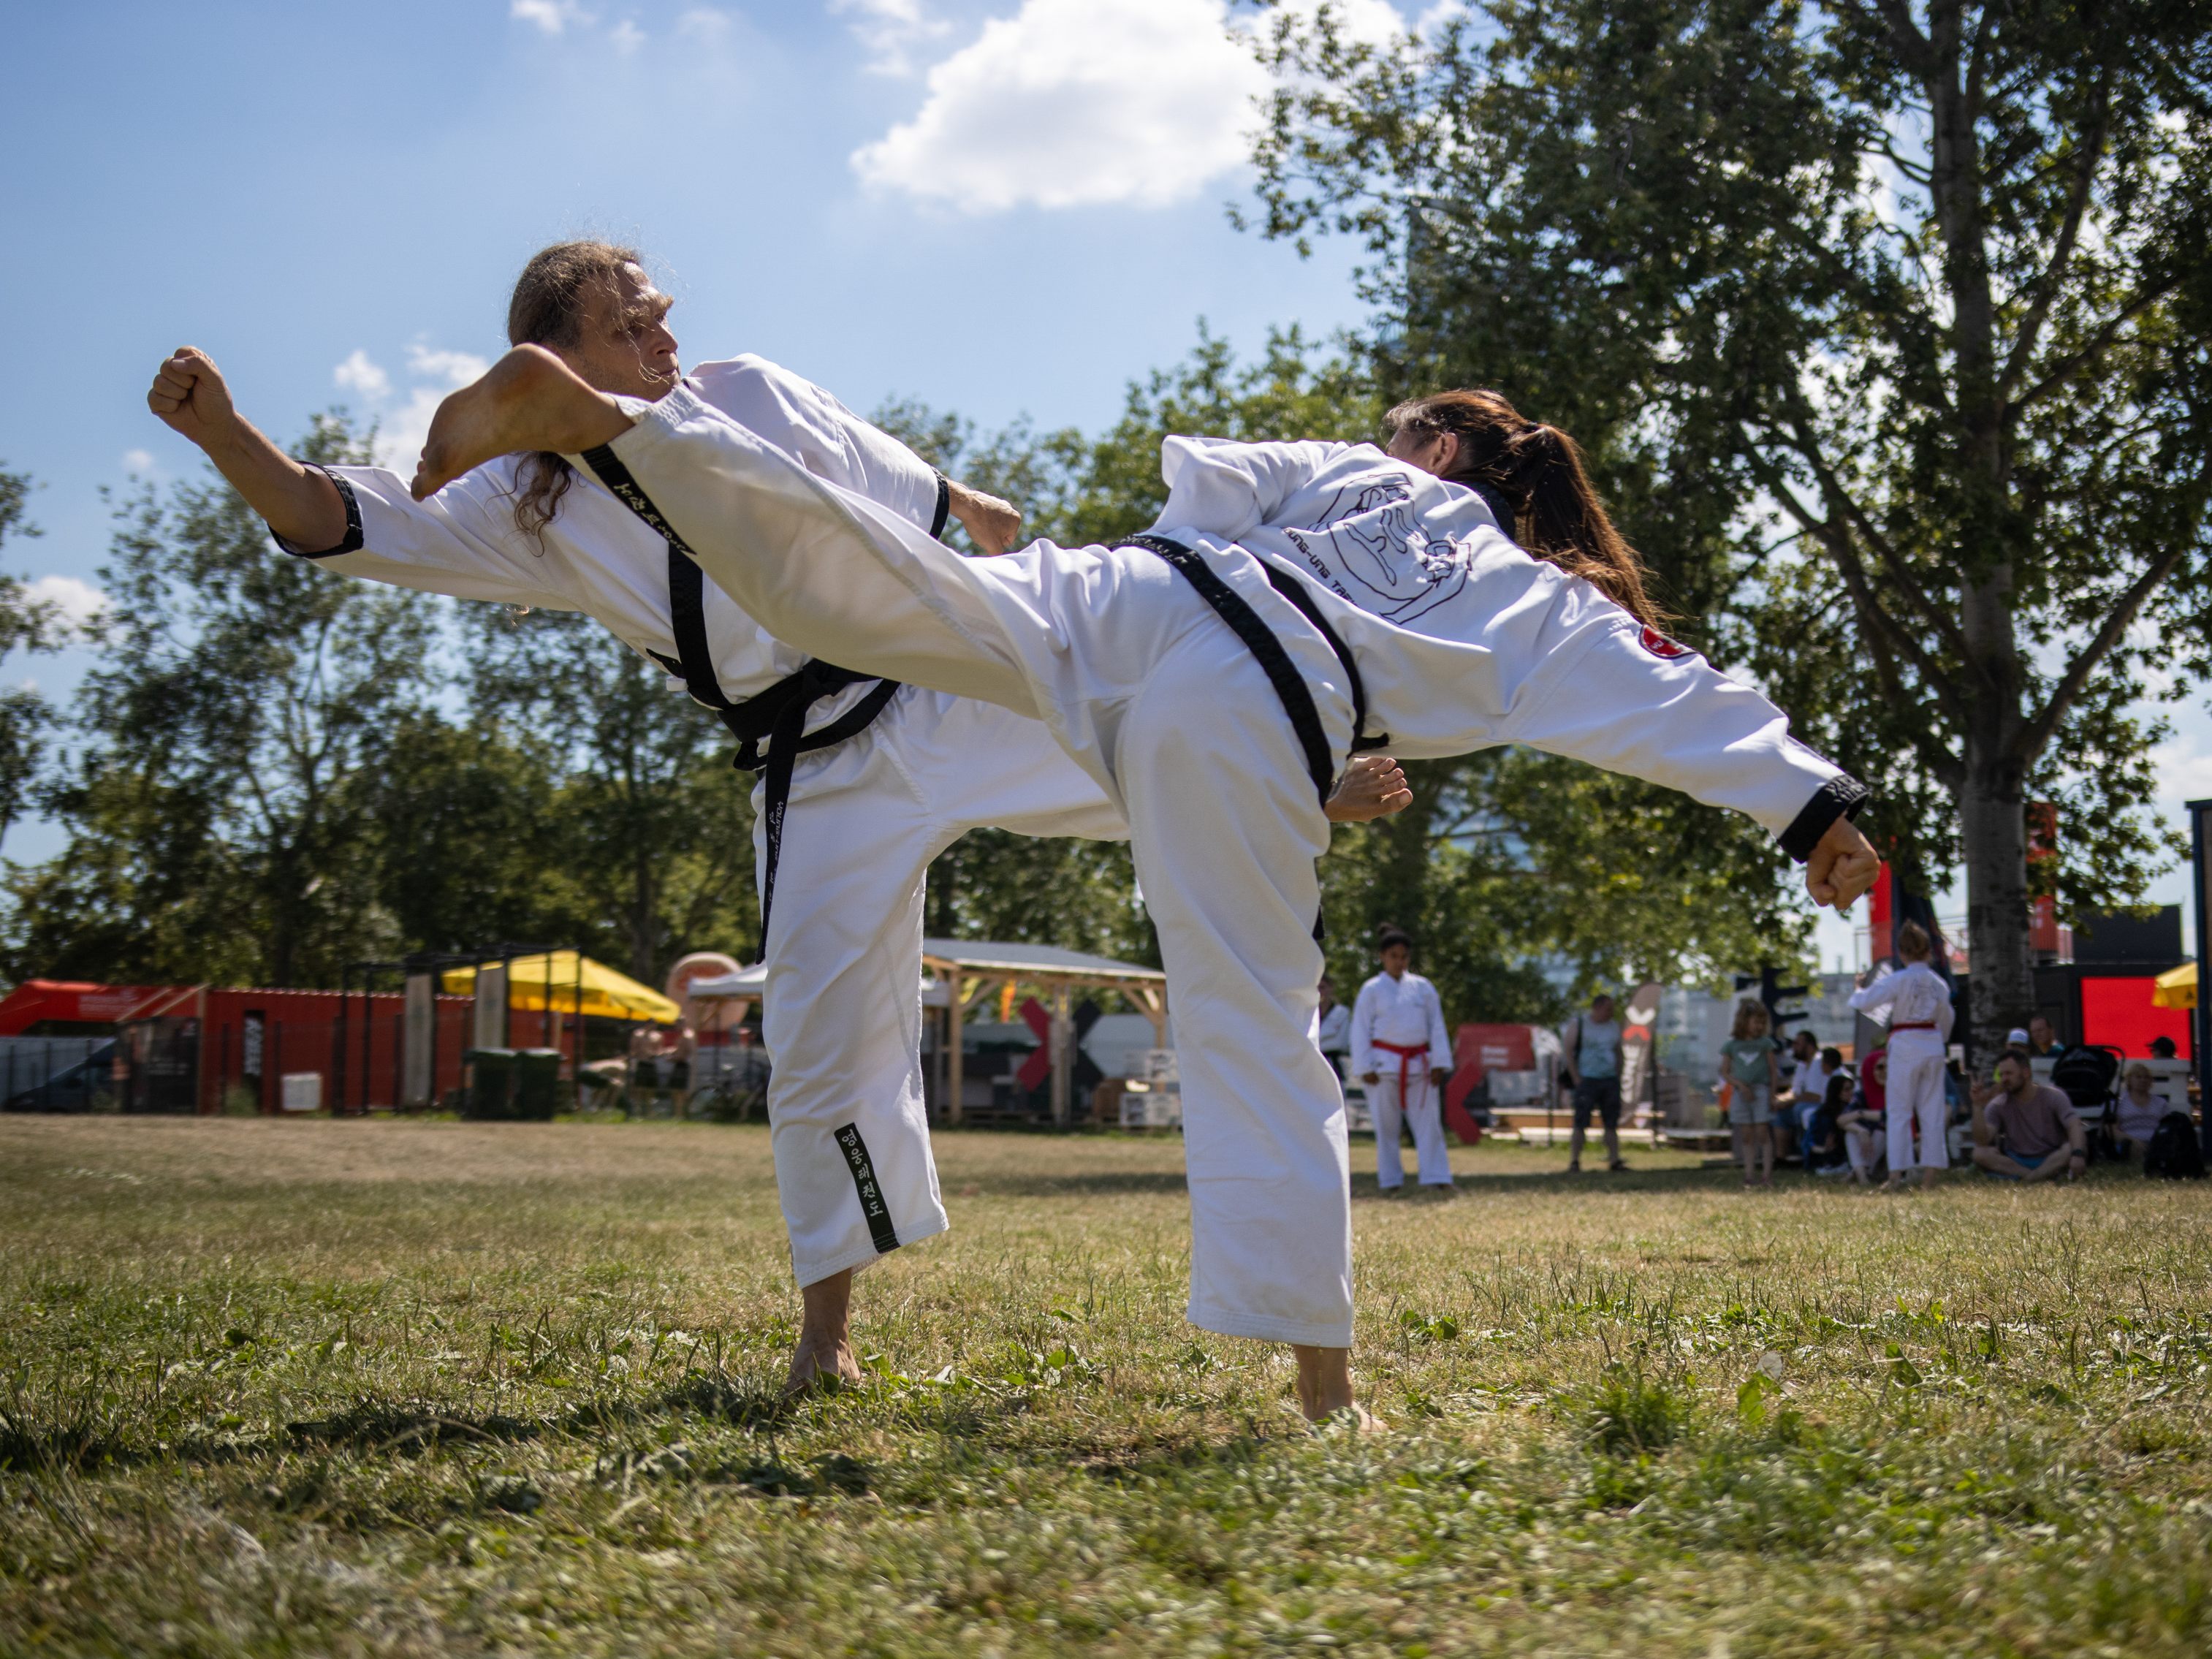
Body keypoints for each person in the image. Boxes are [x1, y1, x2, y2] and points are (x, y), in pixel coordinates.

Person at [404, 358, 1882, 1424]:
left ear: (1435, 451)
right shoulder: (1536, 598)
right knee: (1247, 1021)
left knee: (855, 594)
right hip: (1255, 702)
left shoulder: (1358, 474)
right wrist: (1810, 804)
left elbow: (1206, 482)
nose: (1381, 436)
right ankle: (1322, 1397)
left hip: (1128, 595)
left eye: (1398, 426)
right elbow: (1671, 693)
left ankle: (610, 431)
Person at [145, 240, 1415, 1398]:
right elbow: (336, 517)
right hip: (811, 768)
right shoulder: (522, 505)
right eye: (634, 323)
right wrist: (225, 437)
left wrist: (970, 510)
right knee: (816, 1042)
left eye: (661, 314)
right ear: (564, 347)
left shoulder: (743, 392)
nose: (667, 332)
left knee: (1144, 738)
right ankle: (825, 1338)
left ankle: (1292, 776)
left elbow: (900, 497)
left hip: (940, 684)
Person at [1850, 922, 1954, 1191]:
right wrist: (1937, 1041)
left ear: (1903, 953)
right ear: (1928, 951)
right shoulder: (1938, 983)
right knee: (1931, 1111)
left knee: (1899, 1112)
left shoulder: (1899, 979)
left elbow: (1865, 1003)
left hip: (1906, 1045)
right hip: (1931, 1044)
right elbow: (1947, 1019)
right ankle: (1929, 1178)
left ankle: (1896, 1176)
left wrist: (1859, 988)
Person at [1350, 927, 1455, 1194]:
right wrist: (1364, 1067)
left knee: (1429, 1124)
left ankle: (1437, 1176)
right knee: (1387, 1128)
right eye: (1394, 956)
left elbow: (1437, 1027)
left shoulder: (1422, 988)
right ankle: (1390, 1180)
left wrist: (1439, 1063)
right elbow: (1360, 1030)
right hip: (1384, 1066)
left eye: (1404, 956)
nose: (1400, 961)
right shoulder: (1371, 989)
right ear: (1383, 957)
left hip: (1420, 1064)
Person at [1970, 1048, 2086, 1182]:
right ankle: (2037, 1177)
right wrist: (1977, 1106)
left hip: (2051, 1157)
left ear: (2026, 1073)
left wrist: (2078, 1155)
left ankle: (2028, 1178)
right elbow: (1982, 1141)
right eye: (2001, 1075)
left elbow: (2074, 1125)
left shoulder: (2054, 1096)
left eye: (2009, 1074)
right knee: (1979, 1153)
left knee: (2072, 1146)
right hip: (2017, 1160)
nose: (2004, 1079)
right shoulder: (1998, 1104)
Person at [1558, 992, 1628, 1174]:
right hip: (1587, 1080)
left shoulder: (1614, 1026)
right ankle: (1575, 1161)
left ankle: (1614, 1161)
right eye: (1608, 1008)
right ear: (1597, 1008)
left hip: (1609, 1079)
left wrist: (1618, 1075)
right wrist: (1576, 1078)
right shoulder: (1580, 1024)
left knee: (1611, 1122)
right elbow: (1568, 1050)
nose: (1611, 1012)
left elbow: (1619, 1052)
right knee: (1580, 1122)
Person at [1719, 1000, 1782, 1188]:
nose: (1759, 1027)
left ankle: (1766, 1175)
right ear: (1744, 1022)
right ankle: (1749, 1175)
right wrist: (1740, 1085)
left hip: (1761, 1090)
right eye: (1756, 1022)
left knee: (1762, 1132)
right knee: (1747, 1134)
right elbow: (1725, 1072)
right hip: (1741, 1093)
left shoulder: (1765, 1044)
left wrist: (1772, 1095)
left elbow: (1773, 1071)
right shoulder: (1732, 1046)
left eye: (1762, 1023)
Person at [1836, 1048, 1886, 1184]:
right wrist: (1862, 1130)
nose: (1885, 1072)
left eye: (1888, 1067)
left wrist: (1861, 1114)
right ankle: (1863, 1177)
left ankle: (1857, 1172)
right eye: (1880, 1067)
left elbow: (1887, 1117)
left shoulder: (1895, 1094)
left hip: (1887, 1150)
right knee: (1851, 1133)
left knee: (1881, 1133)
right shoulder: (1862, 1095)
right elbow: (1841, 1120)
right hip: (1866, 1144)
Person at [2112, 1062, 2175, 1159]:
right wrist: (2133, 1140)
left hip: (2156, 1141)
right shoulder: (2120, 1103)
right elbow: (2113, 1130)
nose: (2143, 1080)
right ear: (2129, 1080)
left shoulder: (2160, 1103)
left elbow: (2168, 1127)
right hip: (2130, 1142)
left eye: (2146, 1077)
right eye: (2138, 1077)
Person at [1804, 1071, 1856, 1177]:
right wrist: (1824, 1149)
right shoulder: (1823, 1116)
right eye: (1846, 1090)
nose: (1851, 1093)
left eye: (1852, 1089)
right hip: (1826, 1157)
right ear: (1837, 1092)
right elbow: (1810, 1142)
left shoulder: (1852, 1110)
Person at [1316, 977, 1352, 1081]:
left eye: (1322, 987)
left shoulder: (1341, 1013)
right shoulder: (1308, 1013)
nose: (1320, 992)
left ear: (1331, 989)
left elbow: (1342, 1043)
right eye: (1317, 988)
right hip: (1311, 1062)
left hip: (1333, 1063)